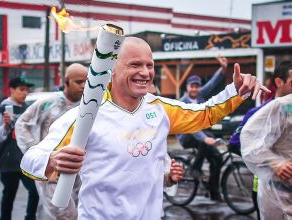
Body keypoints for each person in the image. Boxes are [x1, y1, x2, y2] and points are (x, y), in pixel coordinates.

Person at [21, 37, 268, 219]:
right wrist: (53, 160)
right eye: (135, 65)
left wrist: (236, 92)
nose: (145, 72)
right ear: (112, 70)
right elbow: (31, 159)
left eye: (149, 65)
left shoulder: (160, 108)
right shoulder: (86, 115)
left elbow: (203, 114)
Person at [15, 63, 88, 220]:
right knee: (63, 213)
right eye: (79, 81)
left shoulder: (89, 106)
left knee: (77, 212)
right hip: (52, 172)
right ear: (66, 81)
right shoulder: (48, 102)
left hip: (78, 172)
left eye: (86, 82)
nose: (83, 86)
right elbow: (22, 124)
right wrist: (35, 152)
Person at [229, 61, 292, 219]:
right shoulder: (260, 113)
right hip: (271, 189)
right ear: (279, 82)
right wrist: (272, 163)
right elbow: (238, 142)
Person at [176, 57, 229, 200]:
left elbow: (212, 83)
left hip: (200, 132)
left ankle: (213, 191)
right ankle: (195, 168)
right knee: (205, 141)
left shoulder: (201, 95)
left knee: (216, 159)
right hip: (186, 135)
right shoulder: (183, 103)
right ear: (187, 87)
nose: (194, 89)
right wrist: (206, 138)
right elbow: (190, 127)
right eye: (191, 86)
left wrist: (223, 69)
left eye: (197, 86)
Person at [0, 77, 39, 220]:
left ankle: (30, 217)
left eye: (27, 90)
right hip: (8, 161)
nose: (25, 93)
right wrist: (5, 126)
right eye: (21, 89)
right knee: (9, 196)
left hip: (25, 160)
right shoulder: (3, 108)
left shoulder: (27, 108)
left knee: (35, 191)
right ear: (11, 89)